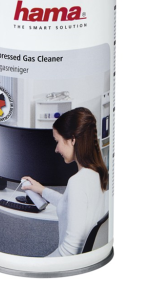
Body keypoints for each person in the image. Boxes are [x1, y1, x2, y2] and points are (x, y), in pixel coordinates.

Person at [23, 107, 108, 257]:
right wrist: (42, 190)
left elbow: (69, 251)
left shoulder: (77, 182)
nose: (56, 149)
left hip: (69, 263)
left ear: (73, 140)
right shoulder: (97, 174)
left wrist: (38, 265)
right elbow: (69, 204)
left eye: (57, 141)